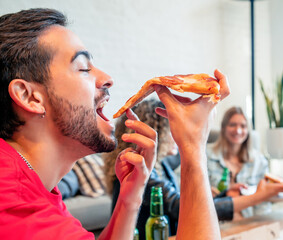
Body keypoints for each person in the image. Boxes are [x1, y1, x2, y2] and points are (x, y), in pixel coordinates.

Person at [0, 8, 229, 240]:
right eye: (83, 68)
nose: (108, 78)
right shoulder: (19, 210)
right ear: (30, 97)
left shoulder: (30, 182)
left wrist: (129, 200)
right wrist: (192, 148)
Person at [104, 99, 233, 239]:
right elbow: (180, 207)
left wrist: (226, 193)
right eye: (171, 128)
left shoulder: (163, 165)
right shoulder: (140, 172)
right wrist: (255, 198)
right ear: (157, 131)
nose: (175, 135)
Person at [207, 106, 283, 219]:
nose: (238, 130)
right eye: (232, 125)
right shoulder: (205, 155)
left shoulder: (259, 161)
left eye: (243, 126)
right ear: (223, 127)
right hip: (214, 221)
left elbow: (263, 203)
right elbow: (181, 188)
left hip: (248, 221)